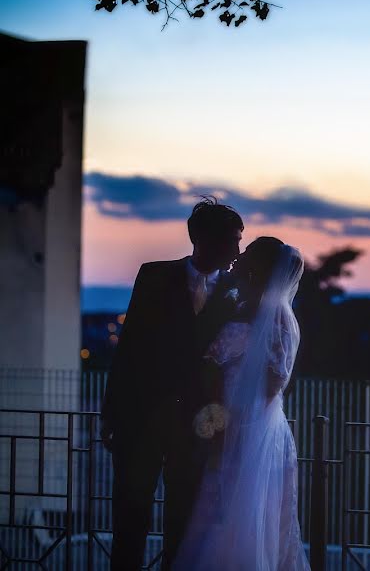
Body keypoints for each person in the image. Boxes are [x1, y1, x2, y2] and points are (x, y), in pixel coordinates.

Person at [100, 196, 244, 570]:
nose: (238, 251)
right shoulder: (154, 275)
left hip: (196, 428)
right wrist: (112, 415)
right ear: (203, 239)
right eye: (232, 240)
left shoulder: (237, 292)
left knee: (184, 522)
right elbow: (129, 347)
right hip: (140, 421)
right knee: (130, 518)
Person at [171, 237, 311, 571]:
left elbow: (275, 378)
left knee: (248, 514)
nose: (240, 256)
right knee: (223, 514)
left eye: (248, 252)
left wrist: (232, 416)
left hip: (254, 432)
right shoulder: (243, 305)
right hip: (236, 425)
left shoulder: (276, 315)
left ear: (261, 266)